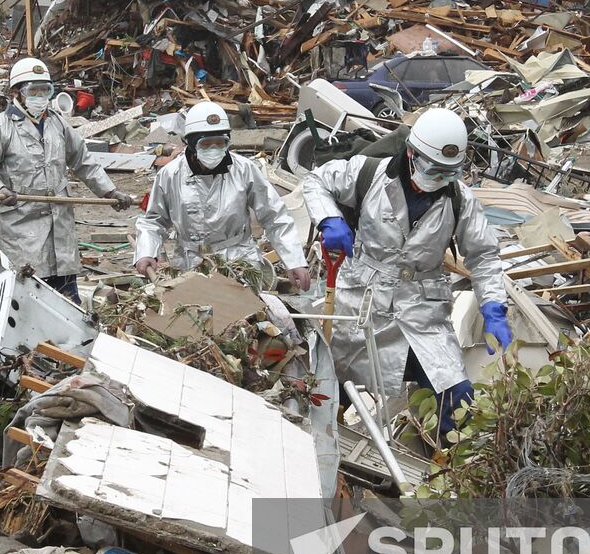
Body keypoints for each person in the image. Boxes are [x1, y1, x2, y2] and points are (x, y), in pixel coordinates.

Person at [302, 107, 511, 440]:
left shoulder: (459, 199)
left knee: (454, 397)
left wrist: (493, 307)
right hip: (361, 302)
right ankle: (325, 453)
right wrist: (330, 220)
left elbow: (483, 255)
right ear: (411, 154)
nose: (438, 180)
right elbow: (316, 181)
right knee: (328, 385)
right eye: (433, 170)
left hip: (420, 311)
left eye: (448, 173)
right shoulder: (369, 173)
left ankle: (453, 468)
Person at [0, 57, 133, 303]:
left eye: (45, 90)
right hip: (22, 227)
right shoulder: (0, 127)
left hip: (61, 227)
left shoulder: (57, 123)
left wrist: (110, 192)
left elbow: (82, 161)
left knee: (68, 302)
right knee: (28, 302)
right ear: (17, 93)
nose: (40, 96)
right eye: (33, 90)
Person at [135, 103, 311, 291]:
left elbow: (274, 216)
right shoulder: (171, 174)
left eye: (220, 143)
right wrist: (147, 251)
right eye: (206, 144)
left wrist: (294, 261)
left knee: (244, 315)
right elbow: (154, 220)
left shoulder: (244, 169)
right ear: (191, 144)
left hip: (239, 261)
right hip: (190, 262)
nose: (214, 150)